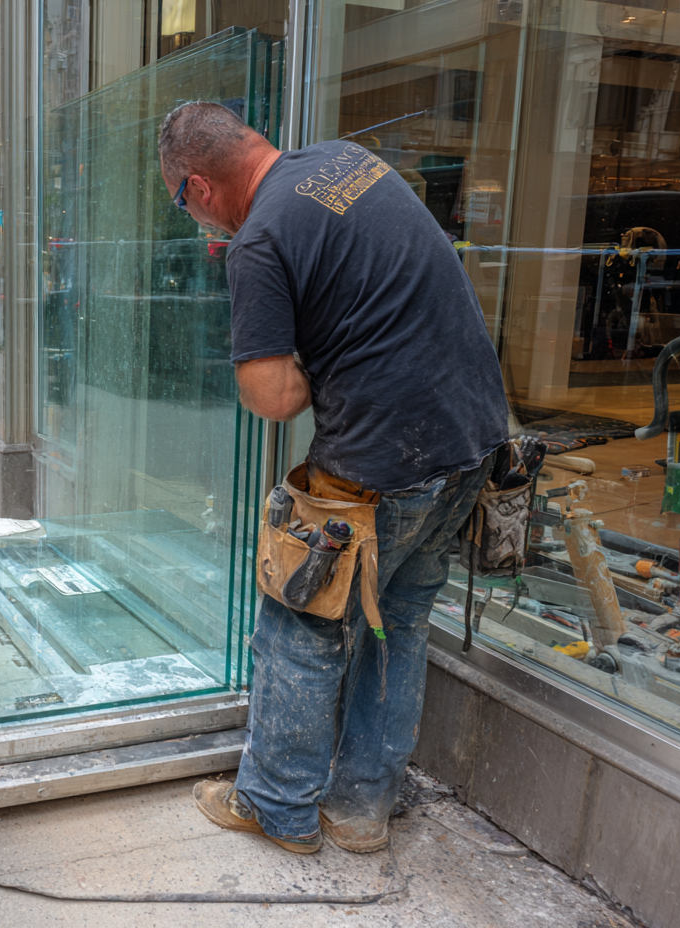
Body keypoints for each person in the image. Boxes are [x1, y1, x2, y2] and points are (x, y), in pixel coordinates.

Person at [159, 103, 507, 854]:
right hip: (474, 439)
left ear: (199, 187)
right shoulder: (349, 163)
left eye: (184, 206)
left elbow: (274, 397)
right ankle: (359, 809)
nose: (197, 223)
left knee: (300, 624)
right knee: (399, 622)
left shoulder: (258, 242)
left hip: (383, 463)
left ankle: (277, 806)